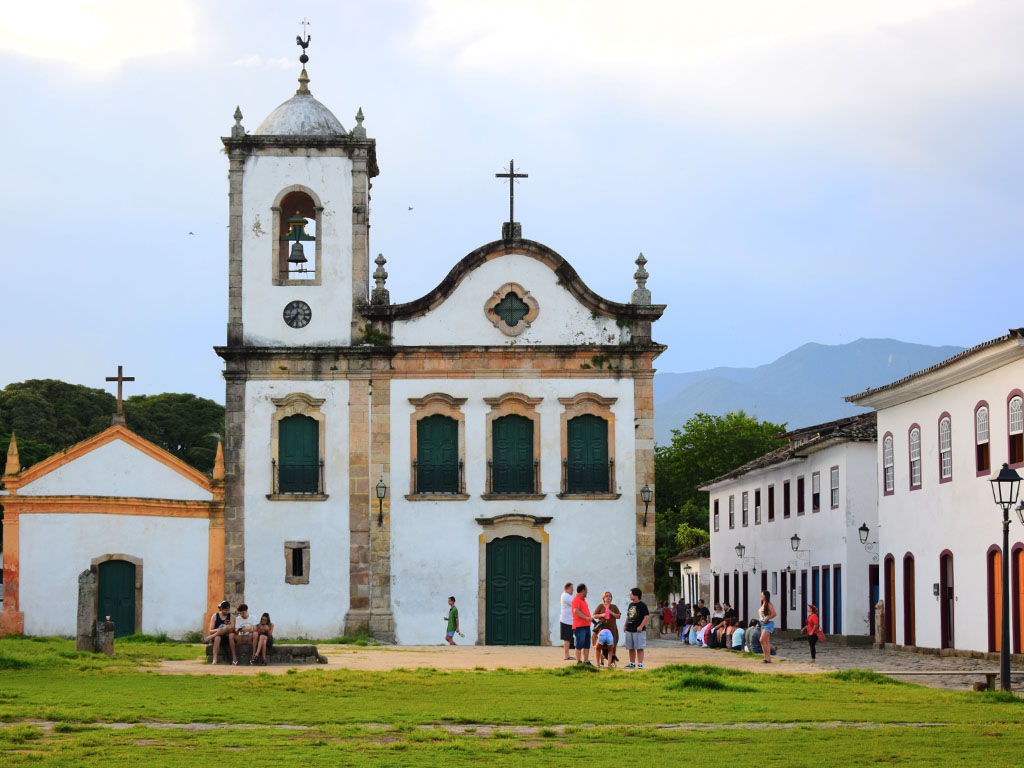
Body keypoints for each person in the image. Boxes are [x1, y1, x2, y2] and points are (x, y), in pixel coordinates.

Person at [623, 587, 650, 669]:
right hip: (629, 629)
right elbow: (628, 616)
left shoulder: (642, 605)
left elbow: (646, 616)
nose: (630, 596)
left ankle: (640, 664)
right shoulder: (631, 605)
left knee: (639, 647)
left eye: (631, 594)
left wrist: (641, 626)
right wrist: (625, 625)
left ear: (636, 595)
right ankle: (632, 663)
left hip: (638, 630)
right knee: (630, 647)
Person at [203, 600, 238, 665]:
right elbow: (210, 631)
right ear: (221, 609)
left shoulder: (232, 617)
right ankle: (215, 659)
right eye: (225, 610)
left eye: (228, 610)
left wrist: (226, 628)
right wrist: (219, 630)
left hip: (227, 637)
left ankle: (209, 638)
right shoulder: (215, 616)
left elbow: (232, 629)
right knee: (217, 637)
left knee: (228, 627)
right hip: (217, 636)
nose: (227, 612)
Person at [592, 591, 621, 666]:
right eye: (606, 596)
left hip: (612, 629)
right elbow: (594, 615)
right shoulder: (600, 606)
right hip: (602, 629)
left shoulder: (614, 606)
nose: (608, 597)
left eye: (610, 596)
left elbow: (619, 616)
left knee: (612, 646)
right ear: (604, 598)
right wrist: (601, 615)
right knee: (600, 645)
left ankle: (611, 662)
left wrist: (612, 613)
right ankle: (601, 662)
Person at [571, 584, 593, 665]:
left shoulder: (583, 600)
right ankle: (578, 661)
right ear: (583, 591)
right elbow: (576, 611)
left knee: (587, 644)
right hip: (579, 626)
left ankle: (586, 661)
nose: (587, 592)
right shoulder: (576, 600)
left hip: (586, 625)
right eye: (586, 590)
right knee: (579, 643)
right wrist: (586, 617)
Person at [759, 590, 777, 663]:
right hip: (763, 623)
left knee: (762, 640)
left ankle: (767, 657)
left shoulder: (769, 604)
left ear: (765, 596)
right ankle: (767, 657)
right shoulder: (764, 604)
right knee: (765, 642)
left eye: (762, 595)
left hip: (768, 623)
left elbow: (774, 613)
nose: (761, 596)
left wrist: (767, 618)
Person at [560, 582, 576, 660]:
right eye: (572, 588)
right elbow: (575, 603)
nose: (573, 590)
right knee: (567, 638)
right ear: (568, 588)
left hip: (568, 620)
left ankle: (567, 655)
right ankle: (566, 655)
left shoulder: (567, 596)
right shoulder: (566, 596)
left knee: (568, 638)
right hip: (566, 620)